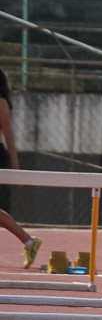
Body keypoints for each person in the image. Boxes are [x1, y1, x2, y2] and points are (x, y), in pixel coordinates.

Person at [0, 68, 42, 269]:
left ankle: (29, 240)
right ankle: (29, 241)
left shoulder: (1, 103)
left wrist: (15, 166)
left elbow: (8, 135)